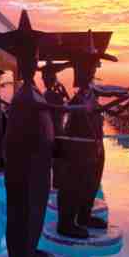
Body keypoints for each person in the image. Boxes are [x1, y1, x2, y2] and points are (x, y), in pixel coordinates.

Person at [0, 10, 92, 257]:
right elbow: (50, 110)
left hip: (37, 165)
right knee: (24, 212)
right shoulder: (26, 95)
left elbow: (44, 120)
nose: (33, 62)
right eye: (29, 58)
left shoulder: (31, 91)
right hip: (27, 170)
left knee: (34, 212)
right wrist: (79, 108)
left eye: (33, 57)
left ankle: (29, 252)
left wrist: (54, 147)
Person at [57, 32, 129, 238]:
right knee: (74, 184)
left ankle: (84, 216)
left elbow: (109, 91)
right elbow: (104, 96)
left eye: (93, 66)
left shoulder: (91, 92)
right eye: (88, 66)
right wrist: (126, 94)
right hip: (79, 149)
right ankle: (66, 223)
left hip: (93, 148)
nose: (93, 70)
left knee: (91, 182)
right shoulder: (80, 97)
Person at [39, 60, 72, 190]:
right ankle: (56, 186)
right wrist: (64, 94)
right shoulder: (52, 95)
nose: (44, 80)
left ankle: (52, 186)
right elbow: (67, 108)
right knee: (57, 163)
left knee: (52, 163)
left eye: (45, 78)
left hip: (49, 133)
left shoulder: (46, 95)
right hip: (56, 133)